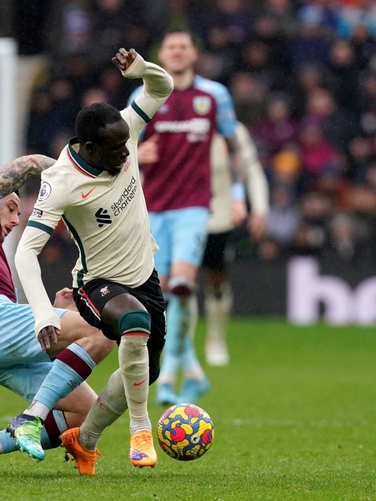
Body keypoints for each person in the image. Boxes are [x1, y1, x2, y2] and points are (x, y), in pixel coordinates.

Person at [14, 47, 173, 474]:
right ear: (87, 146)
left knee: (146, 370)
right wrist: (42, 314)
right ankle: (141, 427)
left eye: (127, 143)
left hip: (144, 275)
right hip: (96, 285)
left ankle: (85, 440)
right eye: (115, 149)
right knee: (134, 324)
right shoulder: (60, 182)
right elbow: (25, 251)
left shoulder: (125, 130)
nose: (126, 155)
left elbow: (163, 86)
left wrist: (141, 70)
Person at [0, 154, 115, 475]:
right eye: (12, 208)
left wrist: (59, 312)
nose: (17, 219)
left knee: (85, 412)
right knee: (102, 329)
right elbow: (31, 162)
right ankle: (32, 417)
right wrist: (80, 180)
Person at [128, 29, 246, 406]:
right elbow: (120, 146)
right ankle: (186, 368)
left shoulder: (214, 95)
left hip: (195, 207)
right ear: (161, 54)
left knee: (181, 283)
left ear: (194, 52)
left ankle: (168, 378)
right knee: (160, 296)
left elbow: (235, 146)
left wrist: (239, 194)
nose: (177, 52)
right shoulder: (144, 94)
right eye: (171, 47)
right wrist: (135, 153)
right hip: (153, 208)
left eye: (183, 46)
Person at [202, 122, 269, 367]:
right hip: (180, 214)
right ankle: (180, 345)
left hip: (220, 217)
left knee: (216, 279)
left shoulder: (233, 130)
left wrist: (259, 209)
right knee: (179, 283)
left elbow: (251, 169)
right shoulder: (174, 124)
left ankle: (216, 338)